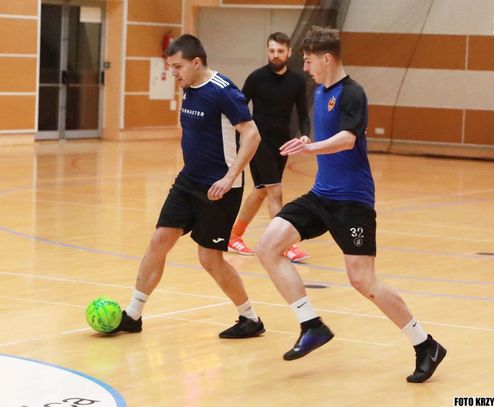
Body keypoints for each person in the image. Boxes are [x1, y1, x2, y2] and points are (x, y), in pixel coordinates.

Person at [255, 26, 446, 383]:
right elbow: (329, 135)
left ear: (326, 58)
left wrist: (311, 147)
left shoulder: (353, 92)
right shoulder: (319, 92)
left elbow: (347, 139)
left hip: (352, 201)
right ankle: (311, 325)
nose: (305, 68)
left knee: (363, 280)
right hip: (321, 195)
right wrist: (309, 140)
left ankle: (425, 345)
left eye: (308, 60)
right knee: (267, 246)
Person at [109, 34, 265, 339]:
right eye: (171, 67)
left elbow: (252, 134)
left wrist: (229, 177)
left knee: (209, 258)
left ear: (196, 62)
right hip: (188, 181)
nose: (173, 73)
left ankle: (250, 318)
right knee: (159, 241)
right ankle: (133, 315)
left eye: (178, 67)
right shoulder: (188, 88)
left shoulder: (223, 91)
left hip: (220, 189)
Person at [228, 32, 310, 262]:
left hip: (282, 144)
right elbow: (239, 107)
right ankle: (285, 245)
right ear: (267, 51)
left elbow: (303, 113)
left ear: (289, 53)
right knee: (275, 191)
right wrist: (241, 137)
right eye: (272, 50)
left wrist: (305, 134)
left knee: (261, 190)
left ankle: (234, 235)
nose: (275, 55)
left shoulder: (297, 81)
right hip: (258, 142)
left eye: (280, 51)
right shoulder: (256, 78)